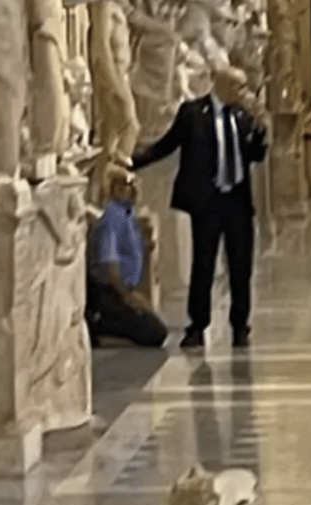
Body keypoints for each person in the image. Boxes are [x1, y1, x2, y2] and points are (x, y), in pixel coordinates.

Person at [130, 67, 268, 349]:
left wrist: (261, 129)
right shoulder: (193, 113)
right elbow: (167, 145)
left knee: (241, 265)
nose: (243, 93)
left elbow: (255, 155)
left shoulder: (243, 116)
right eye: (237, 86)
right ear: (219, 84)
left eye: (244, 87)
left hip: (238, 201)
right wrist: (132, 161)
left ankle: (240, 324)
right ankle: (198, 325)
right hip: (207, 202)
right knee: (203, 263)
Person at [86, 166, 168, 348]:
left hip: (125, 288)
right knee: (155, 333)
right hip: (111, 291)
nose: (129, 189)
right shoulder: (112, 217)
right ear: (112, 188)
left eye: (130, 184)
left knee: (157, 326)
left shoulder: (127, 213)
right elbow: (111, 265)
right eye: (122, 185)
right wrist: (128, 296)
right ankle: (98, 324)